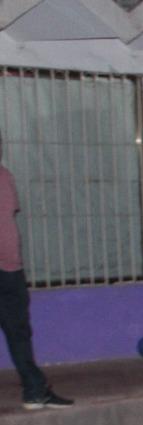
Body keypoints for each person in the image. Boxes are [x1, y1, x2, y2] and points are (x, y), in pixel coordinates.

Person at [0, 129, 70, 410]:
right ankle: (34, 389)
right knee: (18, 331)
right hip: (8, 269)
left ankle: (34, 389)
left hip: (9, 267)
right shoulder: (4, 177)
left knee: (18, 331)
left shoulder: (4, 176)